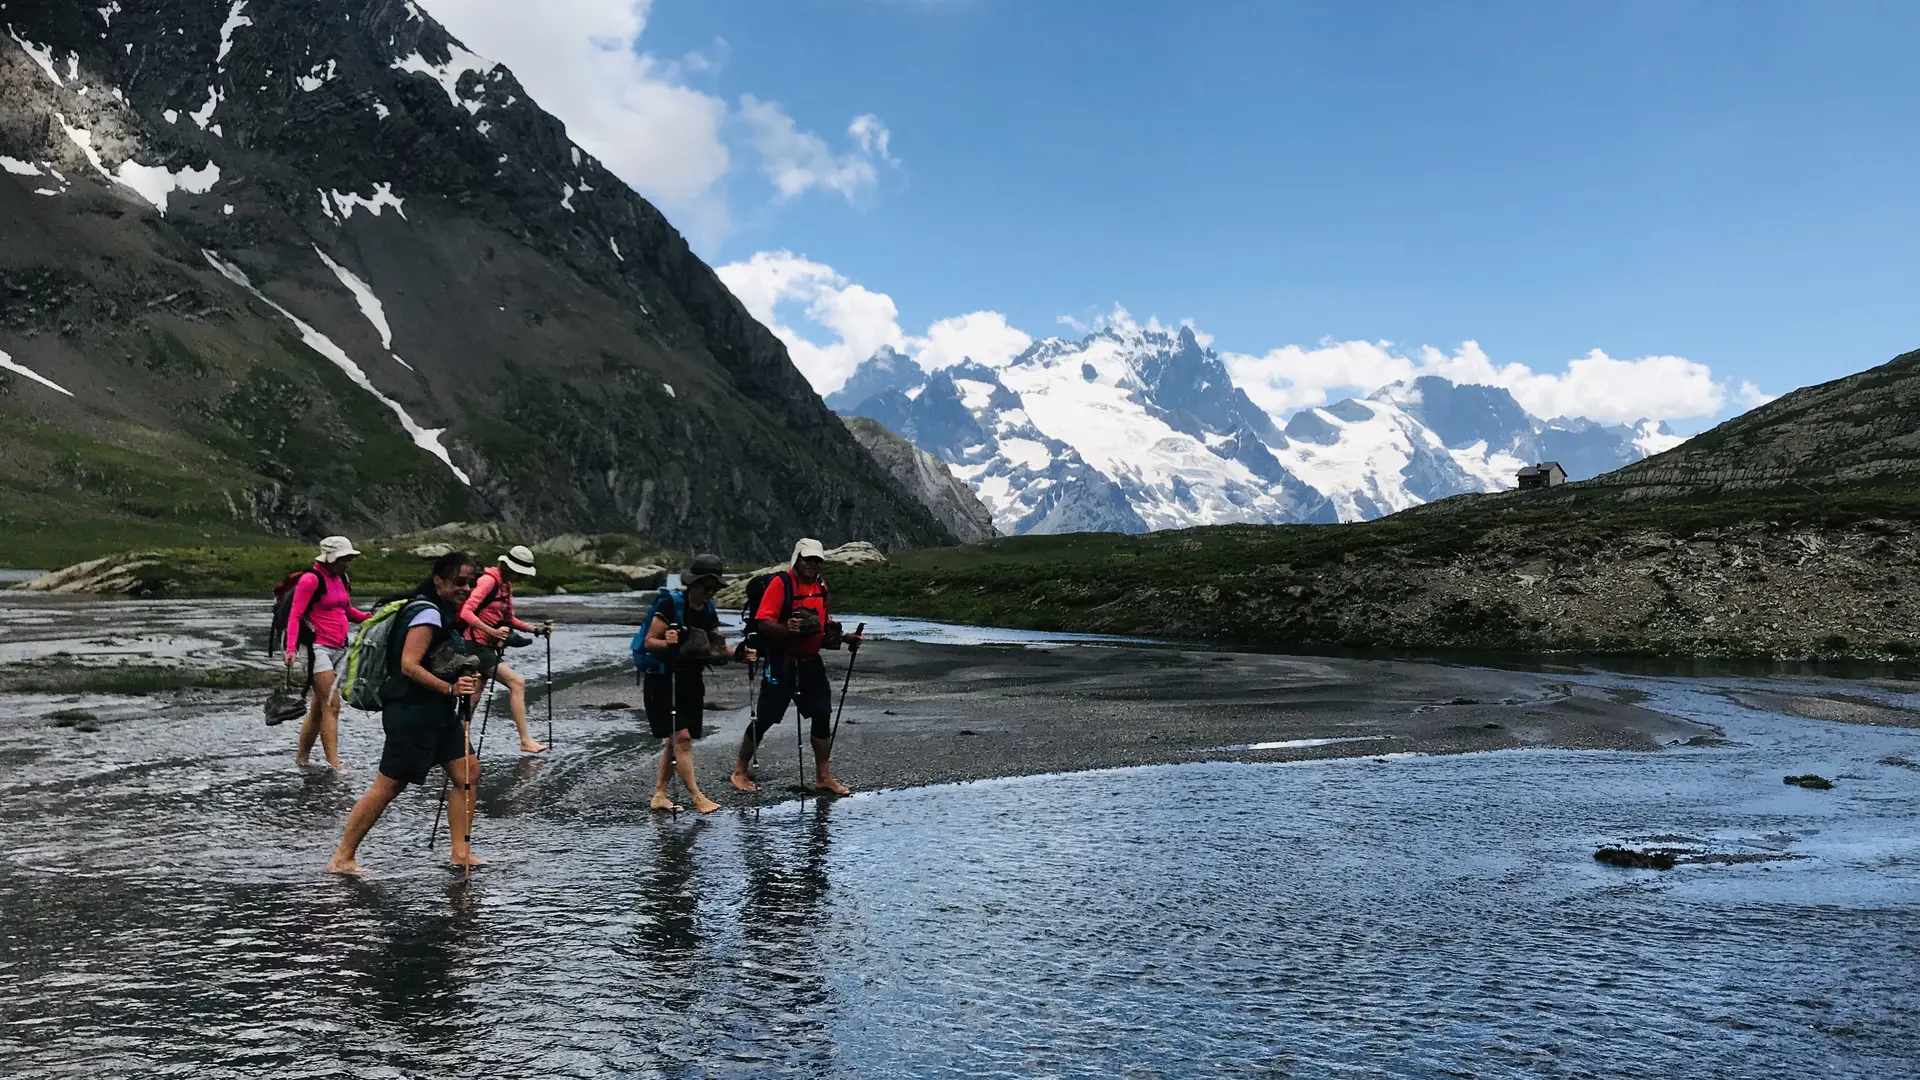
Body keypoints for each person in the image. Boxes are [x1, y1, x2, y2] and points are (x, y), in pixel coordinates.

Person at [328, 552, 487, 875]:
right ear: (439, 581)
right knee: (388, 786)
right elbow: (408, 666)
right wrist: (451, 689)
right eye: (459, 582)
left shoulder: (442, 613)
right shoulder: (426, 614)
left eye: (471, 583)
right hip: (413, 713)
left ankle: (461, 853)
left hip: (438, 713)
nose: (467, 589)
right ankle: (342, 858)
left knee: (468, 773)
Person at [731, 538, 862, 796]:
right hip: (782, 662)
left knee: (822, 714)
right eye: (807, 559)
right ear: (796, 559)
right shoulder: (781, 585)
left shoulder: (821, 586)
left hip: (810, 662)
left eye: (817, 560)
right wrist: (785, 629)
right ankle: (739, 771)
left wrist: (845, 637)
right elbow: (762, 622)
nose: (812, 564)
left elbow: (824, 623)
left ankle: (823, 777)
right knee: (766, 717)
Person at [639, 554, 732, 814]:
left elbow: (718, 645)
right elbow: (649, 642)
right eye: (706, 588)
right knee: (683, 738)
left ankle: (659, 795)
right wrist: (667, 642)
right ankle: (696, 797)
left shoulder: (709, 610)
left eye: (714, 589)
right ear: (693, 584)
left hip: (690, 679)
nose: (709, 593)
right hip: (663, 679)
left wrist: (741, 654)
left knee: (674, 741)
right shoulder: (670, 605)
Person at [284, 535, 371, 770]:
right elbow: (295, 615)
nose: (347, 563)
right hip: (315, 649)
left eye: (348, 559)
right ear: (329, 558)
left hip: (339, 646)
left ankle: (301, 758)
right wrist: (290, 649)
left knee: (318, 706)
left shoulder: (341, 577)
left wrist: (370, 620)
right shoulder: (310, 580)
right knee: (331, 705)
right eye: (343, 559)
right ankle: (335, 764)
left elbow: (347, 610)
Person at [458, 545, 553, 754]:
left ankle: (458, 740)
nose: (523, 578)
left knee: (474, 694)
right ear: (511, 568)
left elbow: (508, 619)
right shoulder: (488, 581)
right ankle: (525, 740)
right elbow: (466, 613)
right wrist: (491, 631)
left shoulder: (505, 585)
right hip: (473, 643)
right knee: (517, 683)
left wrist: (535, 630)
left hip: (484, 645)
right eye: (521, 573)